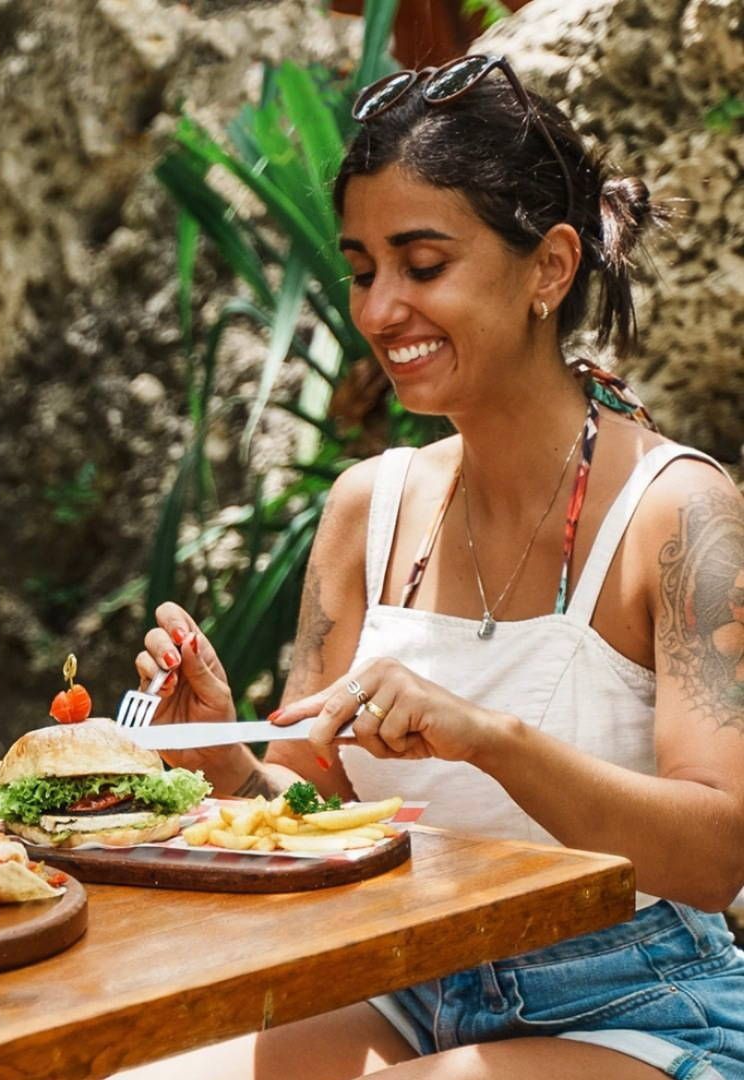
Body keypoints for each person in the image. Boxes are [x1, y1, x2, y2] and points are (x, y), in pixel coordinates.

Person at [116, 55, 744, 1080]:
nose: (378, 310)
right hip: (402, 978)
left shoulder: (679, 516)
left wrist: (489, 739)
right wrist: (225, 759)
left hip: (637, 1001)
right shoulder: (370, 507)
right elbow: (312, 813)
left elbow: (718, 855)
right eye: (363, 269)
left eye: (423, 263)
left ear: (548, 267)